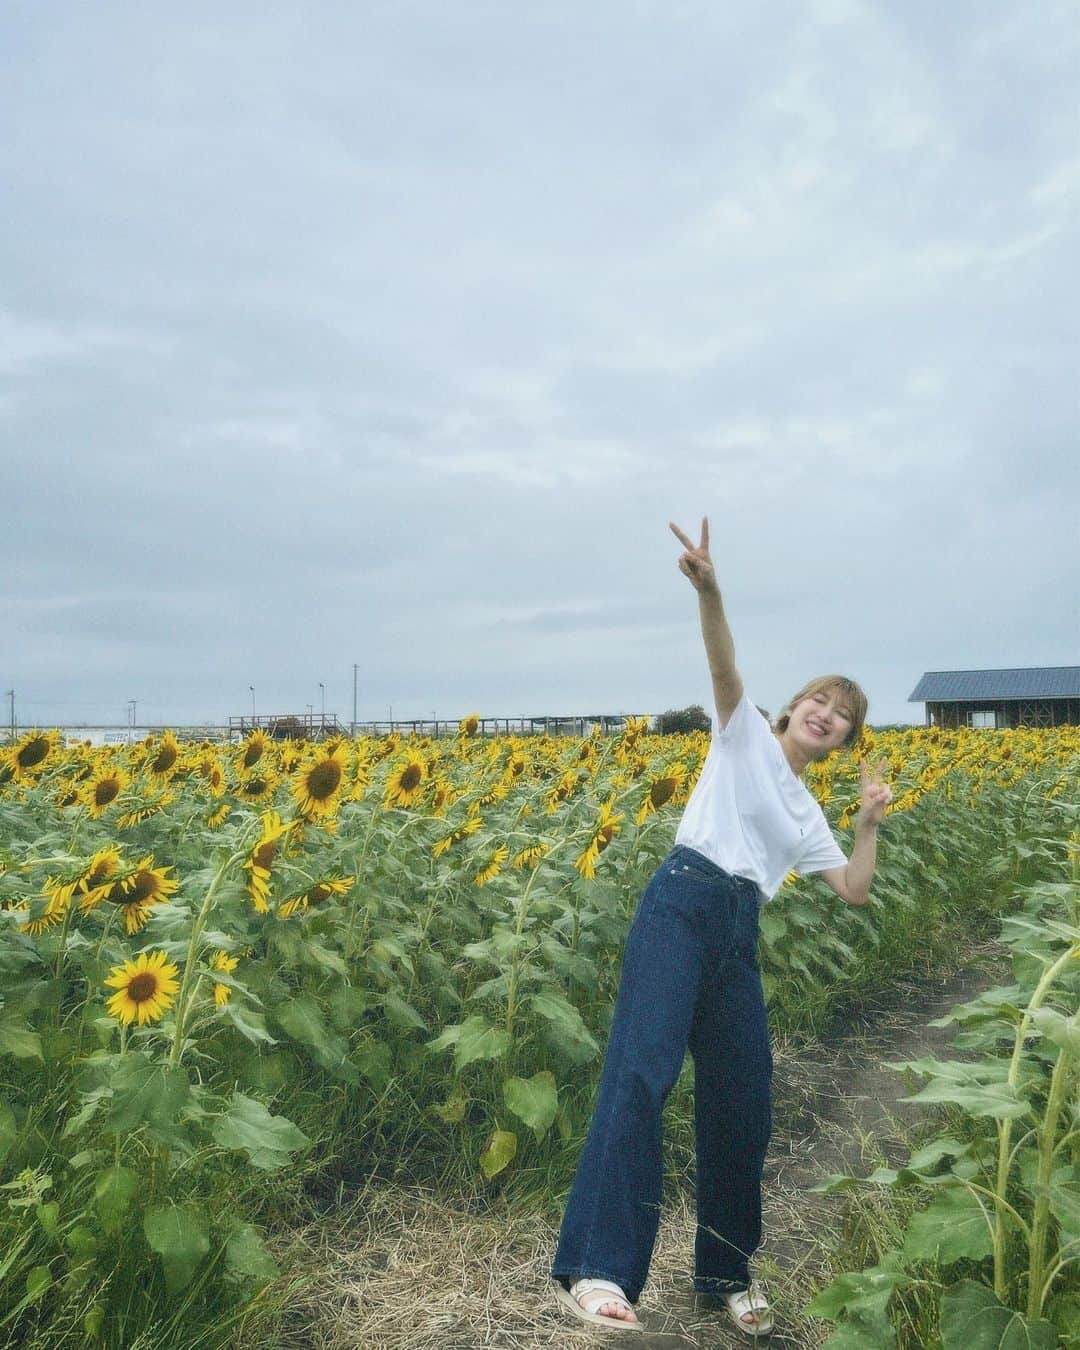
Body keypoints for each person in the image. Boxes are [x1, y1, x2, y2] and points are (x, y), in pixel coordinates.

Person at [550, 517, 892, 1337]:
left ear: (846, 740)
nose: (825, 713)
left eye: (842, 715)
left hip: (738, 931)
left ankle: (724, 1272)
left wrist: (869, 822)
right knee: (642, 1073)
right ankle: (597, 1268)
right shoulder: (742, 737)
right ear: (793, 709)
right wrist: (711, 590)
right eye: (818, 698)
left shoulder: (808, 809)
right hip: (681, 903)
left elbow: (851, 888)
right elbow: (724, 666)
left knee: (744, 1100)